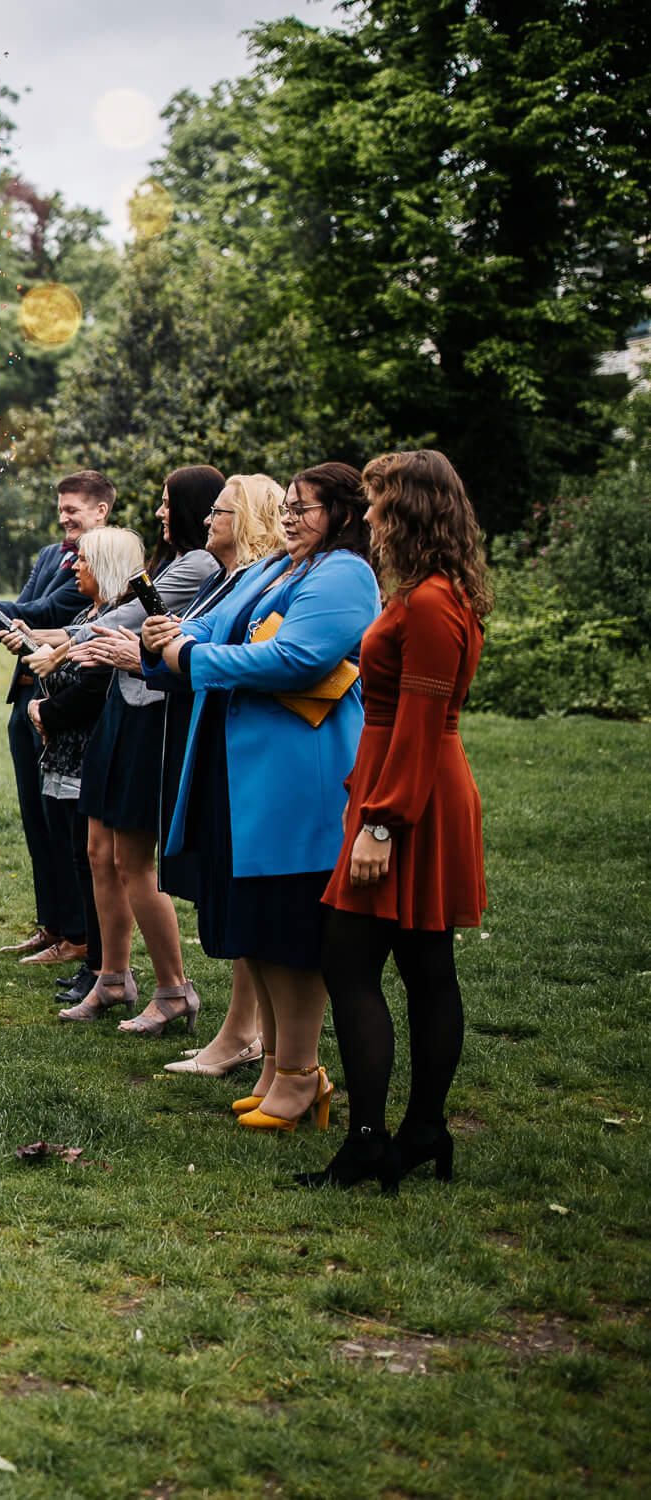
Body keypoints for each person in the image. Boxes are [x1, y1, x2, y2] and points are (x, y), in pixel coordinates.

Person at [143, 463, 381, 1133]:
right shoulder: (279, 569)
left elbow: (299, 659)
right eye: (290, 508)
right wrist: (178, 641)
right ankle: (279, 1066)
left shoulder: (344, 575)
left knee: (290, 931)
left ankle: (302, 1076)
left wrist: (192, 657)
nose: (291, 518)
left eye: (306, 509)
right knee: (260, 930)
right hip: (245, 775)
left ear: (342, 514)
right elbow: (213, 631)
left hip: (296, 782)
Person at [301, 450, 490, 1191]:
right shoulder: (423, 591)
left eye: (379, 504)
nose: (370, 518)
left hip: (411, 793)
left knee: (353, 963)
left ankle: (382, 1137)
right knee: (422, 965)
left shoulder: (434, 602)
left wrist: (382, 824)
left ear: (409, 510)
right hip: (403, 783)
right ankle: (415, 1133)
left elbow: (418, 721)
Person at [123, 474, 292, 1078]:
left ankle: (250, 1038)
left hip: (237, 743)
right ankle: (245, 1034)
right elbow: (190, 645)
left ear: (243, 517)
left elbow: (227, 650)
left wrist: (169, 646)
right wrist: (157, 645)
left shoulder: (260, 578)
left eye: (218, 512)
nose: (205, 522)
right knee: (226, 893)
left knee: (241, 893)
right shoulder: (228, 578)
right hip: (203, 734)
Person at [68, 467, 225, 1029]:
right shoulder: (170, 564)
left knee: (134, 860)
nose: (160, 512)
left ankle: (174, 989)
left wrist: (62, 640)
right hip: (122, 704)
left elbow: (129, 622)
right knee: (99, 851)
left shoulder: (200, 565)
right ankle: (113, 979)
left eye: (167, 503)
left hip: (149, 716)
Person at [0, 472, 108, 980]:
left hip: (61, 704)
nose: (64, 518)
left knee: (63, 823)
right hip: (24, 696)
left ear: (101, 511)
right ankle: (52, 923)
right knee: (36, 820)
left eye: (74, 510)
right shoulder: (46, 555)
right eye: (60, 509)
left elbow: (47, 611)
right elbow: (24, 612)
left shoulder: (103, 559)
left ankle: (79, 935)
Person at [10, 527, 139, 1022]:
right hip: (66, 755)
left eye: (83, 561)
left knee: (95, 864)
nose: (75, 567)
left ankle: (103, 965)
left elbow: (91, 690)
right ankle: (95, 965)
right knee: (83, 858)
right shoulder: (90, 615)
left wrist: (47, 711)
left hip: (85, 754)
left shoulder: (108, 622)